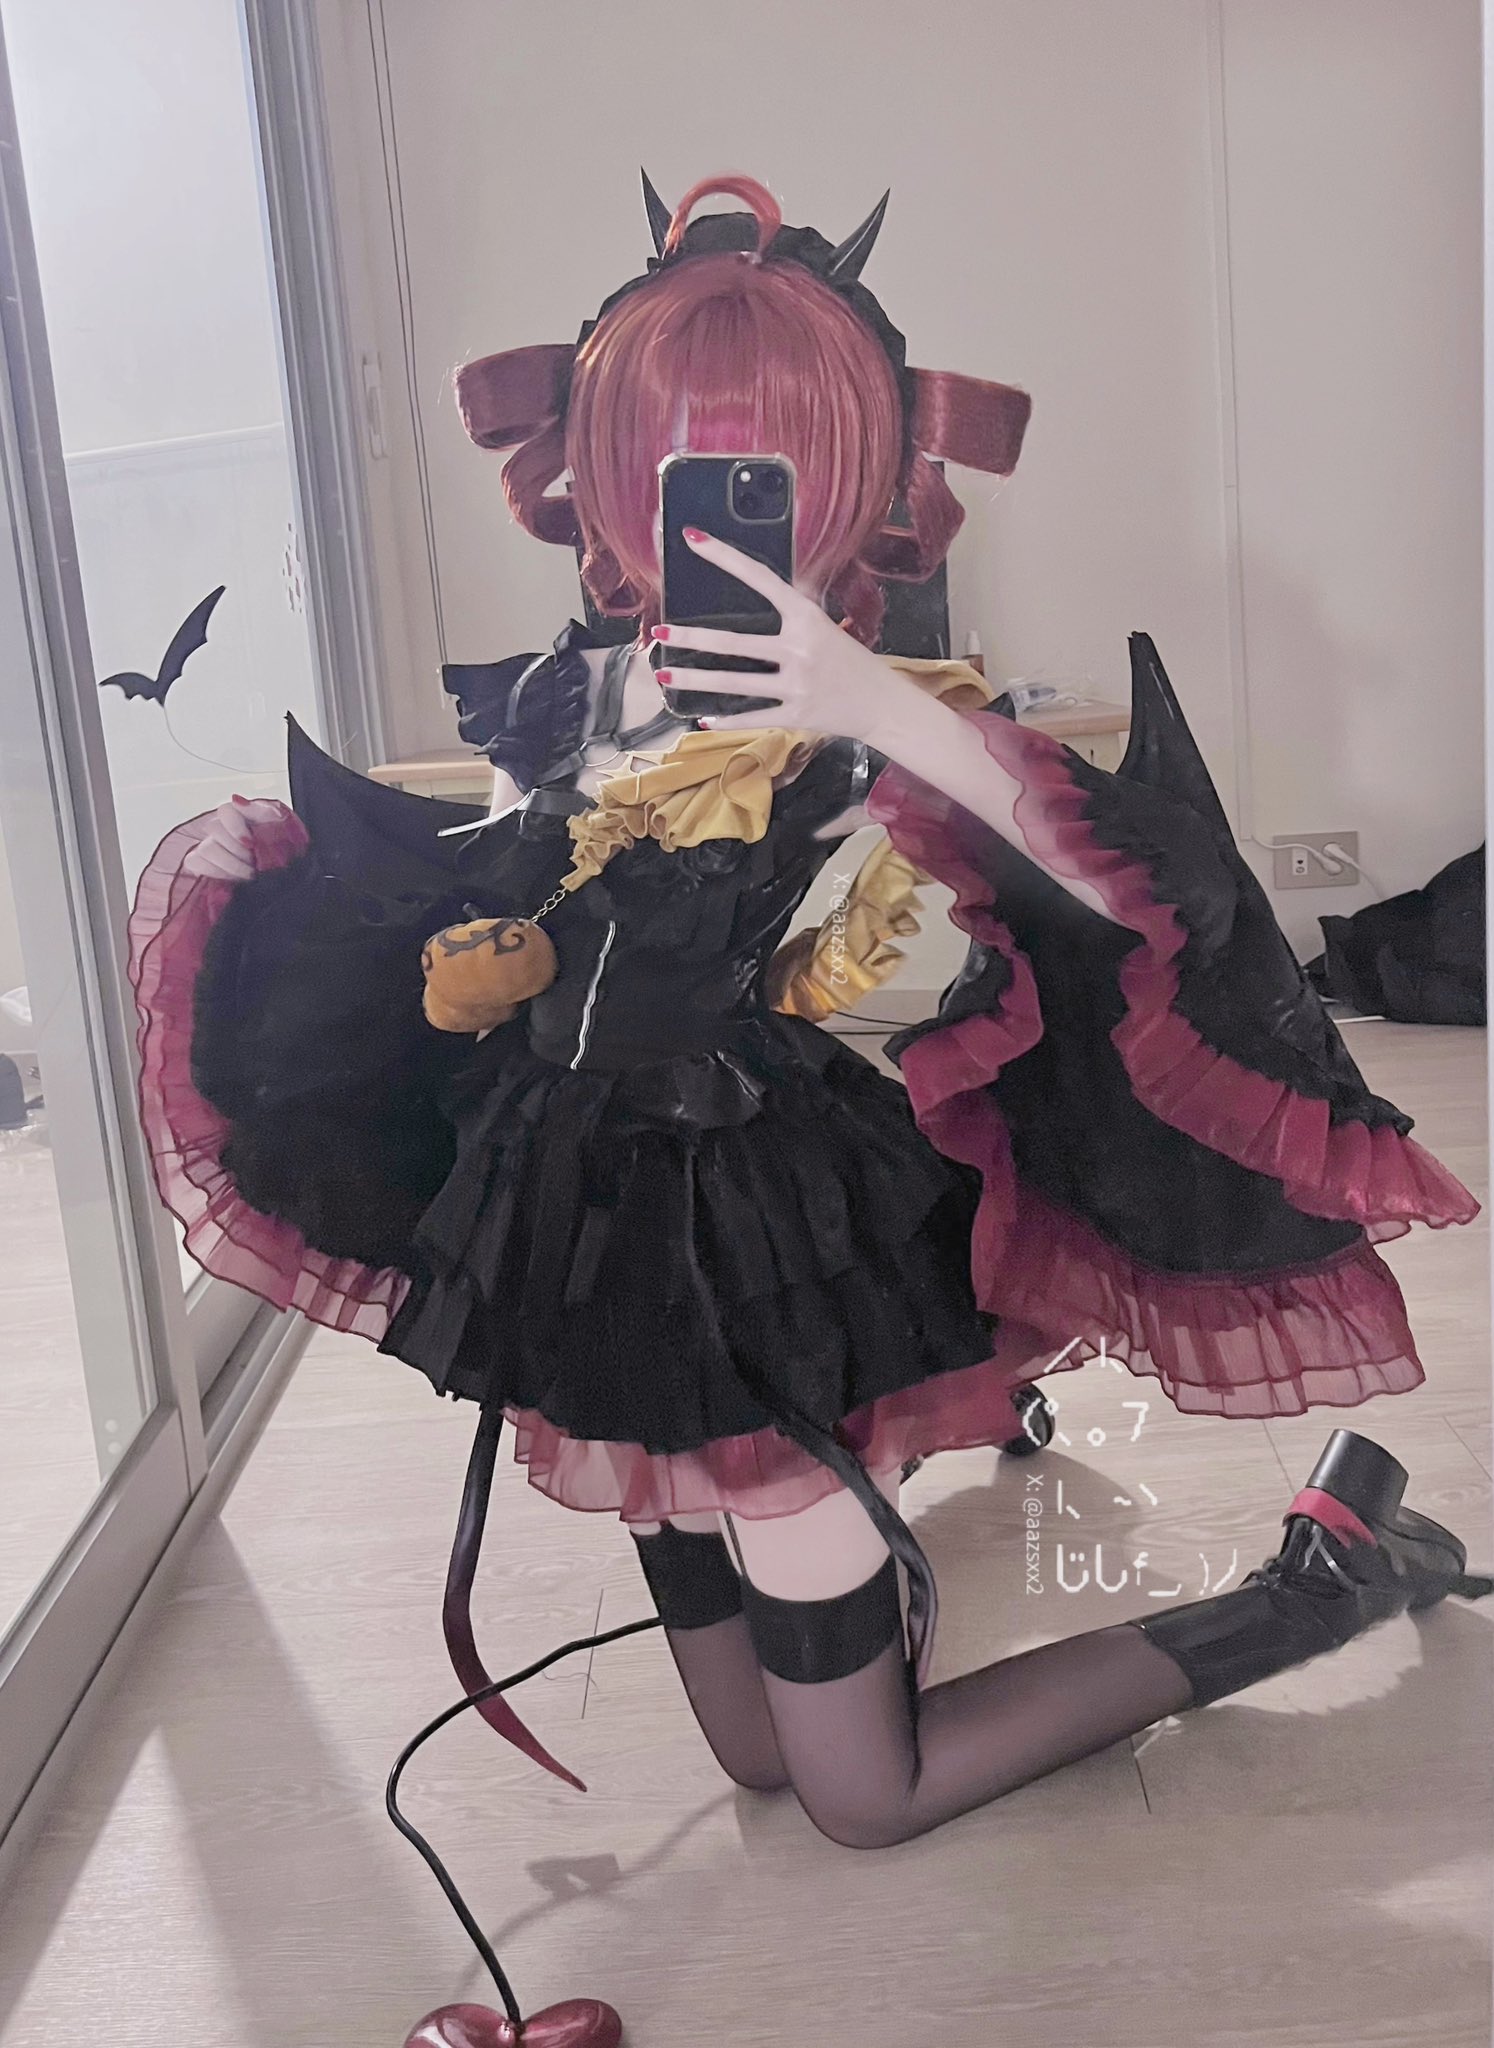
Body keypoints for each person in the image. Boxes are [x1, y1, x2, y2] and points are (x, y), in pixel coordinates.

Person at [128, 172, 1486, 2040]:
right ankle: (865, 1563)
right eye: (666, 460)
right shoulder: (570, 695)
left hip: (767, 1237)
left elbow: (1118, 881)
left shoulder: (876, 704)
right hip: (580, 1238)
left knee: (860, 1796)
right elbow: (530, 896)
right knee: (760, 1761)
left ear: (849, 480)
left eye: (754, 469)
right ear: (602, 474)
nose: (704, 504)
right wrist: (476, 943)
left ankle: (1317, 1583)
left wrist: (872, 701)